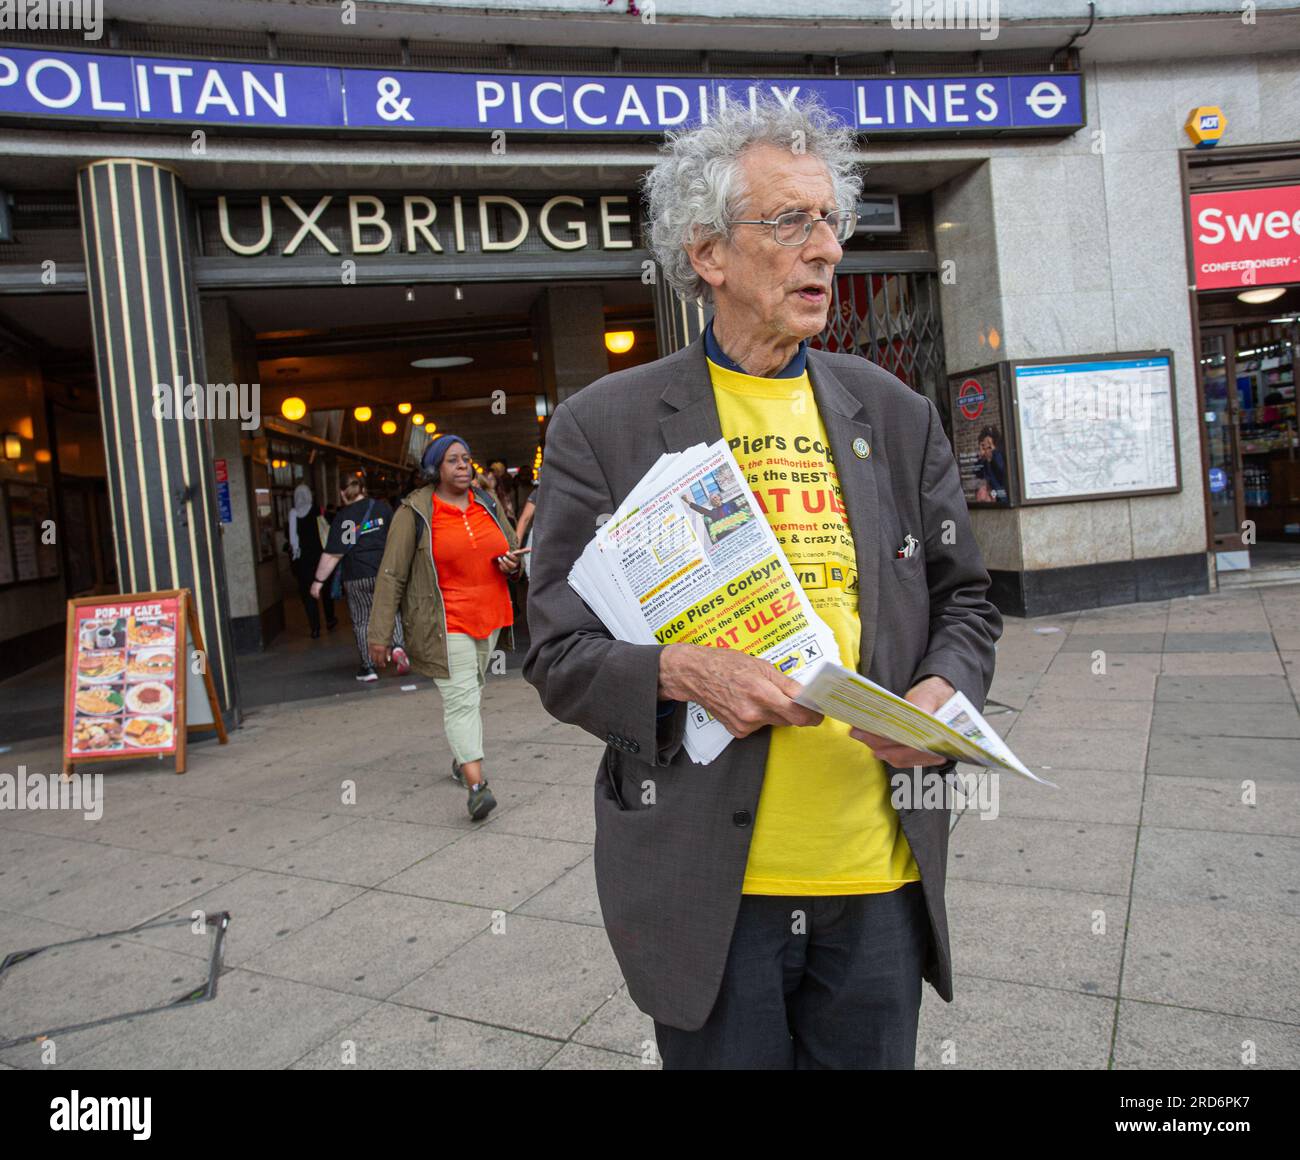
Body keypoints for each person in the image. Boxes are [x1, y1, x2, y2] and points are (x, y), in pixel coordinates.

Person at [523, 96, 1001, 1070]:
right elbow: (558, 652)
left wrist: (941, 692)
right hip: (708, 889)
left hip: (875, 876)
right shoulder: (603, 426)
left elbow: (965, 599)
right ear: (707, 254)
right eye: (790, 222)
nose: (825, 248)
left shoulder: (895, 413)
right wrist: (681, 671)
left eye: (830, 219)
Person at [368, 435, 525, 821]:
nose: (463, 466)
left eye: (467, 459)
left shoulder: (486, 503)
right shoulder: (414, 513)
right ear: (435, 468)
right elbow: (391, 576)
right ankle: (476, 785)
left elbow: (511, 546)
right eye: (453, 460)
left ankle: (460, 758)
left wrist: (512, 564)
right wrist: (379, 634)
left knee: (473, 689)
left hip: (490, 616)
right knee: (461, 699)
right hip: (443, 621)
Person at [311, 476, 408, 682]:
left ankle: (369, 667)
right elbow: (398, 538)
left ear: (342, 493)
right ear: (364, 488)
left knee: (363, 619)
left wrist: (318, 581)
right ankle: (398, 646)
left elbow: (333, 553)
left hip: (356, 575)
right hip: (384, 571)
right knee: (391, 610)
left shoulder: (343, 517)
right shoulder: (382, 509)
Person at [288, 483, 337, 638]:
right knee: (325, 590)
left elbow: (292, 539)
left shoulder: (293, 513)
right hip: (321, 558)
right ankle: (329, 620)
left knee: (308, 595)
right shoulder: (318, 511)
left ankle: (315, 628)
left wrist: (296, 554)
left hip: (303, 561)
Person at [974, 425, 1009, 505]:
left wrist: (994, 454)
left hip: (1001, 497)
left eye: (989, 446)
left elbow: (1002, 470)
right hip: (989, 499)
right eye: (984, 446)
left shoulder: (999, 456)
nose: (987, 450)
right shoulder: (982, 460)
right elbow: (977, 474)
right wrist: (981, 457)